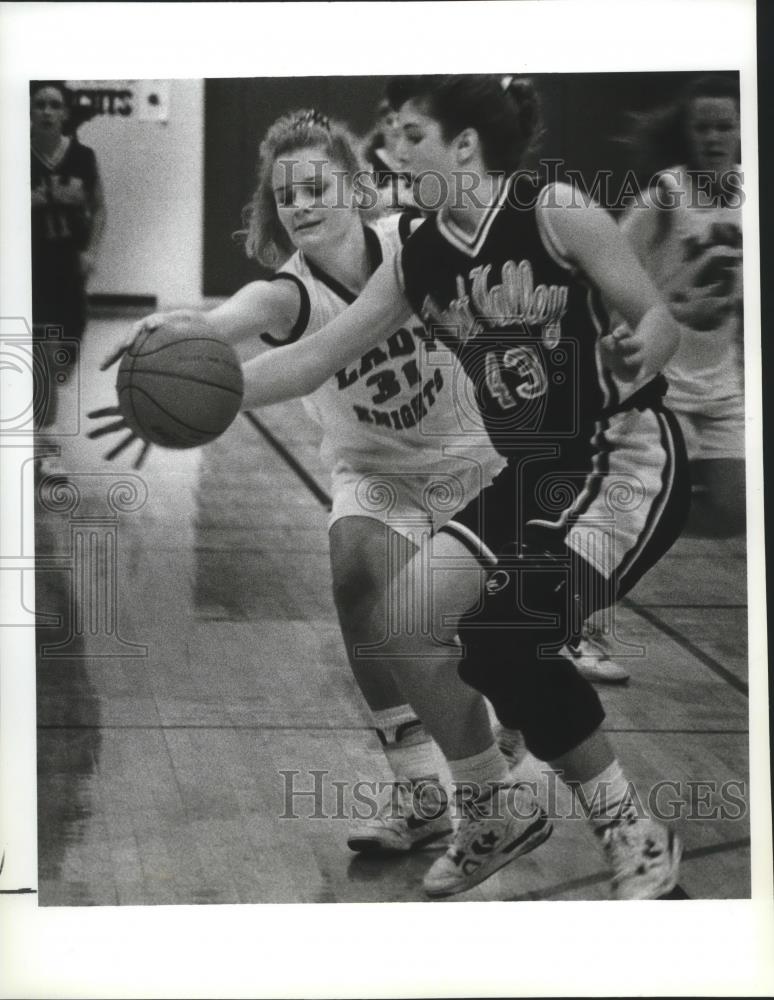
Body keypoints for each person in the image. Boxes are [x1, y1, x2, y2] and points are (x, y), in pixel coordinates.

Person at [192, 75, 688, 900]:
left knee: (501, 639)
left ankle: (630, 831)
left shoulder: (554, 209)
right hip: (532, 476)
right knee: (406, 623)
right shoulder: (418, 251)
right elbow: (314, 356)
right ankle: (489, 804)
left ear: (463, 145)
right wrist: (206, 385)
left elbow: (654, 312)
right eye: (389, 132)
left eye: (411, 132)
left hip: (620, 460)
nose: (393, 145)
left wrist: (646, 350)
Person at [92, 109, 554, 897]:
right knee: (355, 572)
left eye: (316, 186)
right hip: (374, 469)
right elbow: (225, 325)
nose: (301, 204)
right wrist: (175, 333)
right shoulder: (286, 295)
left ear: (354, 186)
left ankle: (496, 726)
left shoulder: (413, 245)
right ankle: (421, 791)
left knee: (476, 645)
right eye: (286, 195)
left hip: (477, 460)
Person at [619, 74, 744, 536]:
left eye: (724, 127)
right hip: (662, 382)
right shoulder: (664, 197)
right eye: (702, 127)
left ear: (741, 129)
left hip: (721, 384)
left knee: (736, 513)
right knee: (643, 497)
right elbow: (612, 268)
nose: (714, 137)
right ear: (685, 133)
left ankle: (644, 527)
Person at [31, 80, 105, 439]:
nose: (46, 111)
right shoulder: (15, 156)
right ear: (29, 112)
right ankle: (47, 441)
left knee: (64, 360)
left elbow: (100, 208)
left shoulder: (82, 157)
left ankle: (43, 400)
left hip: (69, 266)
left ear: (64, 113)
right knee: (43, 351)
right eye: (39, 104)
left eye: (53, 104)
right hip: (32, 265)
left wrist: (90, 250)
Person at [363, 98, 415, 212]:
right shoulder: (368, 159)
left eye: (399, 120)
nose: (395, 126)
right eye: (389, 121)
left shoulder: (416, 155)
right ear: (379, 125)